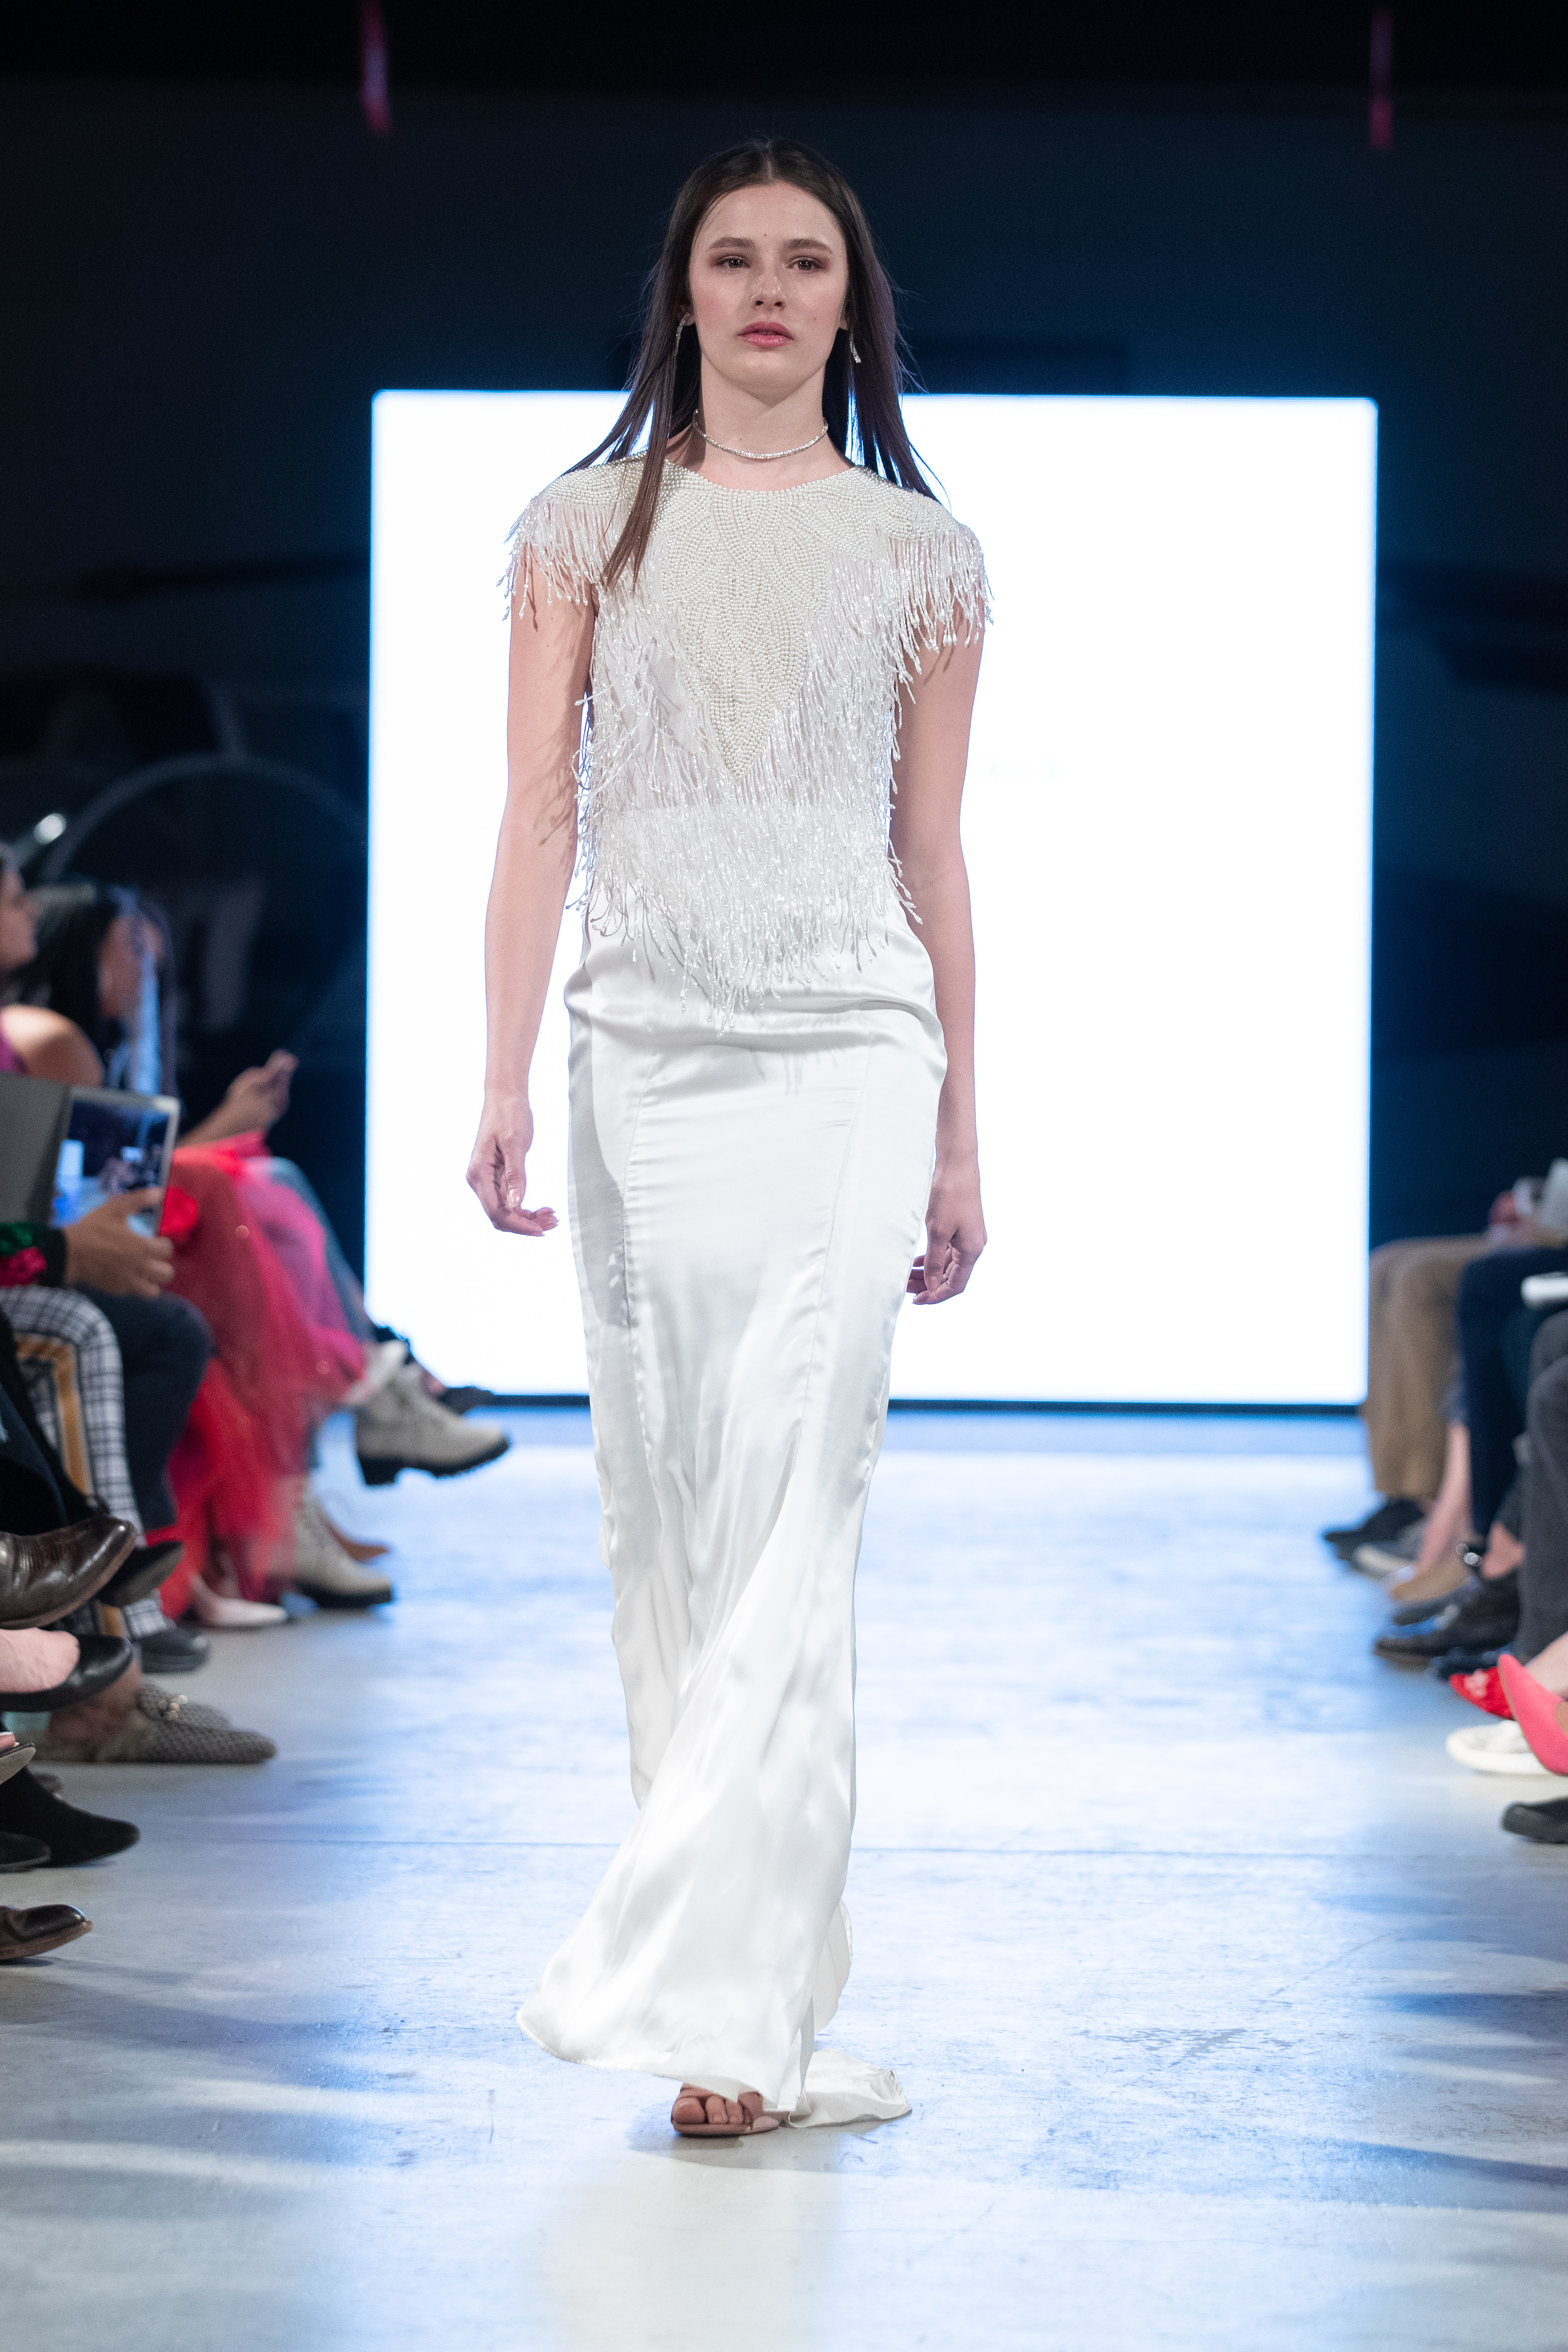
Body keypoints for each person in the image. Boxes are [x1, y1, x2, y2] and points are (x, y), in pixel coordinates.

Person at [469, 141, 986, 2137]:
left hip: (855, 1037)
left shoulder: (922, 555)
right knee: (678, 1508)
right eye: (733, 257)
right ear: (680, 292)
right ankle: (740, 2011)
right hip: (642, 1045)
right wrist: (500, 1072)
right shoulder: (581, 525)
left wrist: (963, 1132)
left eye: (806, 261)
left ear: (852, 305)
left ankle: (693, 1976)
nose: (769, 288)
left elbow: (932, 849)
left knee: (803, 1494)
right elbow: (538, 812)